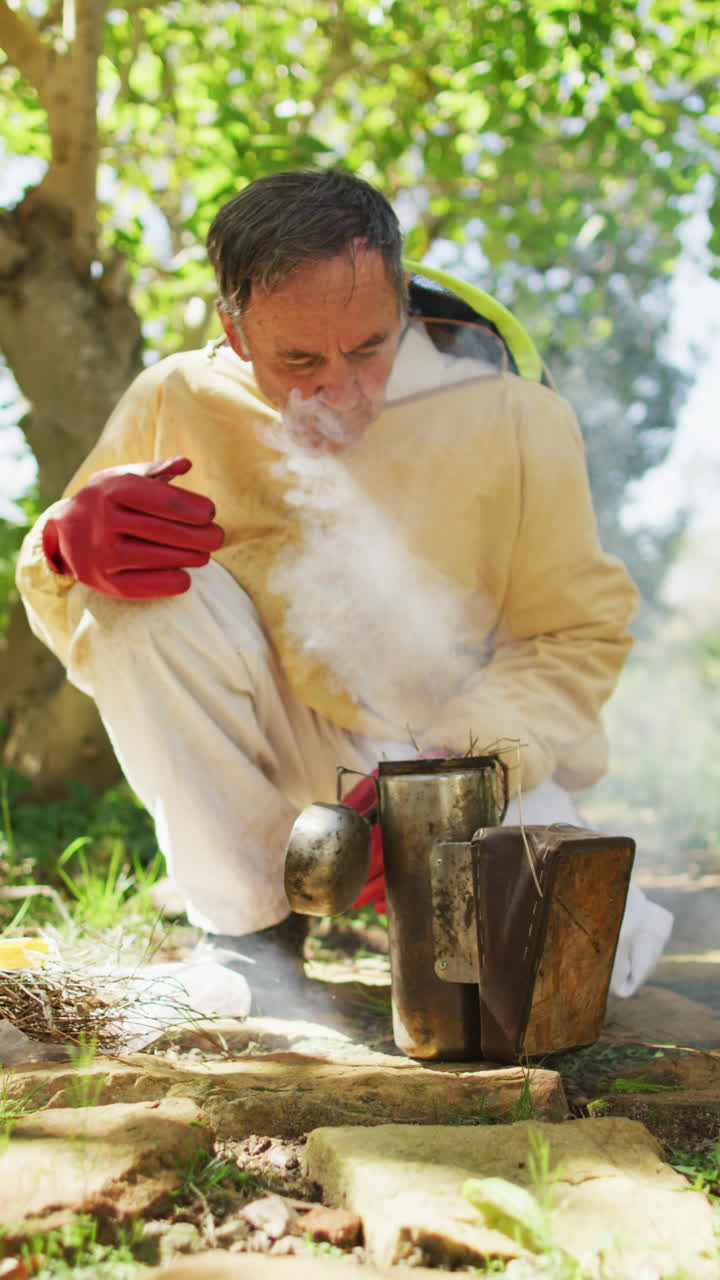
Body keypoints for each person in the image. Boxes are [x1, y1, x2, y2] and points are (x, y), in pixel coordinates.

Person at [15, 168, 671, 1015]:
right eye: (299, 360)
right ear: (236, 330)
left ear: (399, 296)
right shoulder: (173, 396)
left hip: (456, 754)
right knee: (140, 595)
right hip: (272, 739)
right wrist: (64, 546)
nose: (341, 386)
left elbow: (572, 638)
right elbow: (81, 625)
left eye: (369, 348)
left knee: (535, 988)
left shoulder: (517, 417)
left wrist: (457, 763)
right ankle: (250, 934)